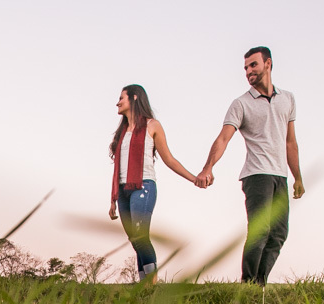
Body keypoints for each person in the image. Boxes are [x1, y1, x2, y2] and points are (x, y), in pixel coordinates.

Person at [194, 46, 304, 285]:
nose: (248, 71)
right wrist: (208, 167)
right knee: (260, 230)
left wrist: (298, 177)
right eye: (245, 67)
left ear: (268, 64)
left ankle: (259, 284)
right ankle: (248, 283)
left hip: (280, 176)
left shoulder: (288, 99)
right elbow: (223, 138)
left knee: (278, 233)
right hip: (256, 176)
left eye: (253, 65)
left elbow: (290, 142)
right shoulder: (241, 104)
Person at [109, 84, 198, 284]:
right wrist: (113, 199)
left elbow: (169, 159)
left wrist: (194, 178)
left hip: (143, 186)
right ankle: (145, 284)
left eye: (121, 98)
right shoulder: (121, 132)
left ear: (133, 98)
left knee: (141, 236)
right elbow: (117, 168)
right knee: (134, 240)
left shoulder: (152, 126)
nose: (117, 102)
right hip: (122, 191)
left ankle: (152, 282)